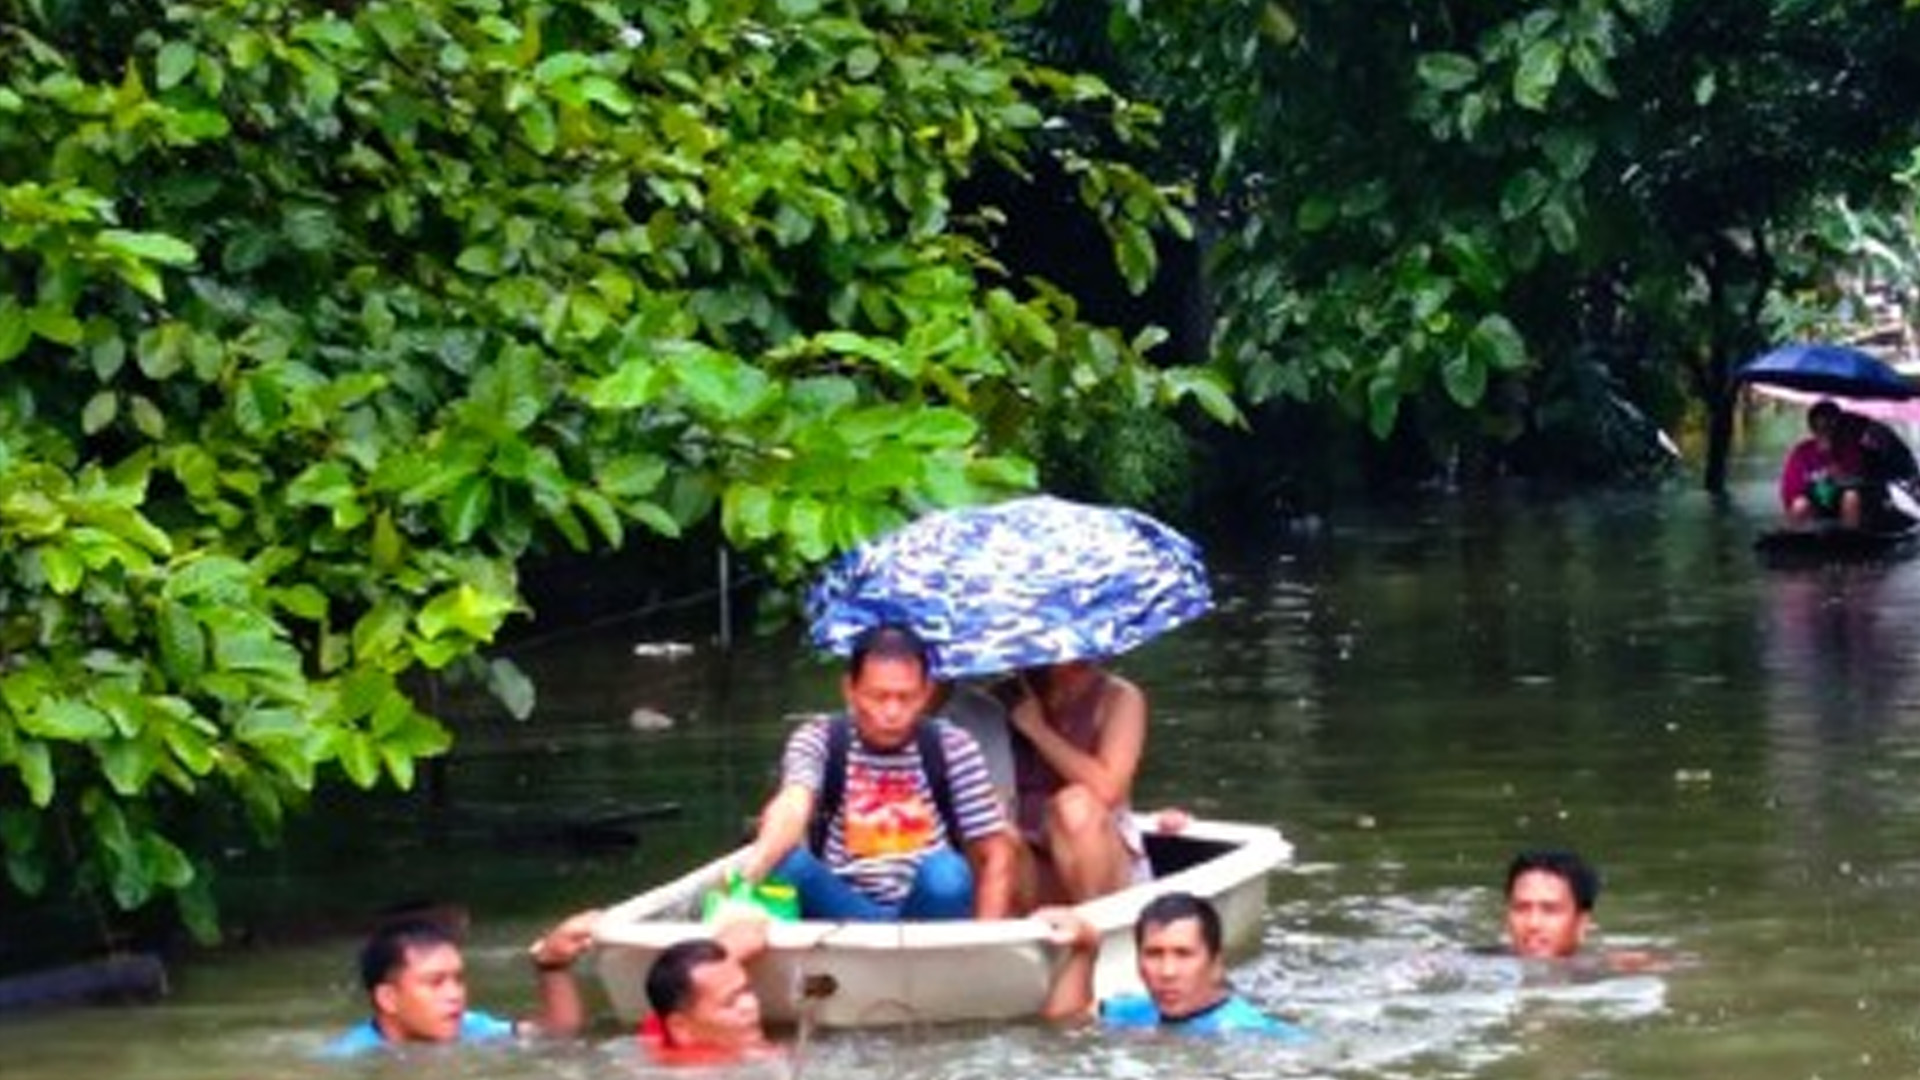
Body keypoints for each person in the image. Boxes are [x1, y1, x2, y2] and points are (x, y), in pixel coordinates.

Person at [740, 623, 1017, 920]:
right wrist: (750, 875)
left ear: (926, 693)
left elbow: (995, 852)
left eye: (905, 698)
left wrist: (985, 938)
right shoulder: (819, 737)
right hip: (842, 904)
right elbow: (794, 803)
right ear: (850, 690)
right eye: (878, 697)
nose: (892, 712)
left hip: (927, 905)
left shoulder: (953, 746)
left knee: (948, 874)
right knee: (787, 863)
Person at [325, 908, 599, 1056]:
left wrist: (552, 965)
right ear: (389, 999)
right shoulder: (351, 1057)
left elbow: (555, 1031)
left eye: (457, 979)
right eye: (435, 983)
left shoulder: (468, 1026)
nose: (455, 994)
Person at [1038, 891, 1307, 1039]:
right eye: (1154, 954)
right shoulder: (1138, 1010)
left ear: (1215, 963)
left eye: (1184, 954)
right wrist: (1086, 948)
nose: (1167, 972)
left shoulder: (1249, 1032)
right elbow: (1064, 1020)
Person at [1005, 660, 1151, 908]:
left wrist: (1037, 730)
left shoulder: (1119, 698)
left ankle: (1096, 923)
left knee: (1074, 806)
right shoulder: (1000, 699)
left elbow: (1108, 790)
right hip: (1027, 860)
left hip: (1098, 860)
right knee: (993, 826)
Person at [639, 912, 779, 1063]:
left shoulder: (662, 1033)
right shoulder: (707, 1068)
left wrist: (725, 951)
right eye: (730, 1003)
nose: (750, 1005)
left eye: (747, 990)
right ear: (681, 1027)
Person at [1780, 400, 1865, 528]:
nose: (1827, 432)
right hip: (1814, 501)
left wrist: (1839, 471)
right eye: (1821, 427)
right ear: (1813, 429)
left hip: (1841, 499)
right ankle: (1793, 535)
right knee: (1800, 504)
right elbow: (1790, 491)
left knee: (1851, 497)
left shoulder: (1850, 450)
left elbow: (1859, 482)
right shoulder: (1802, 452)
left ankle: (1850, 535)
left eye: (1832, 427)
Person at [1504, 848, 1598, 959]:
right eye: (1521, 908)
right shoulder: (1489, 963)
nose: (1533, 924)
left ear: (1582, 923)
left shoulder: (1608, 967)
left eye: (1550, 910)